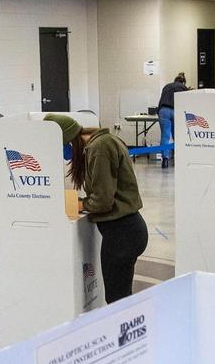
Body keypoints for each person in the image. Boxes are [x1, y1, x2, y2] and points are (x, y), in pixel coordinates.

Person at [45, 114, 147, 303]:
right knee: (121, 297)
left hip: (121, 233)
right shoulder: (104, 142)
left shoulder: (99, 148)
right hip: (126, 231)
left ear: (69, 140)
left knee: (116, 299)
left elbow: (103, 200)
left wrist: (81, 204)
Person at [156, 73, 190, 168]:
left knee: (165, 136)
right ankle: (178, 159)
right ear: (183, 82)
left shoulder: (166, 86)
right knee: (178, 136)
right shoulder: (183, 87)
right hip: (176, 111)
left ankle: (165, 160)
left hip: (163, 111)